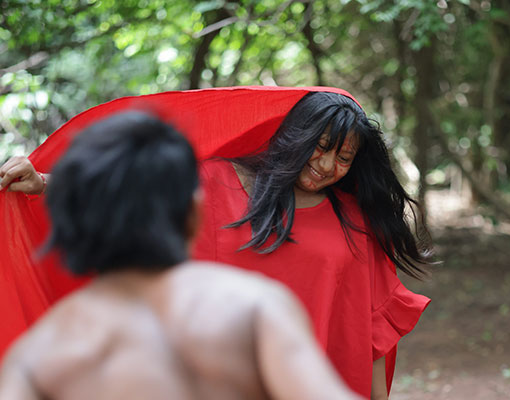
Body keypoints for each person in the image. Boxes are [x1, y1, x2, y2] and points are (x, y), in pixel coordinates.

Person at [0, 87, 431, 399]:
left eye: (344, 157)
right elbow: (130, 193)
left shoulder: (353, 222)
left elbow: (374, 327)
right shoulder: (216, 183)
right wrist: (41, 183)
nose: (327, 165)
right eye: (320, 147)